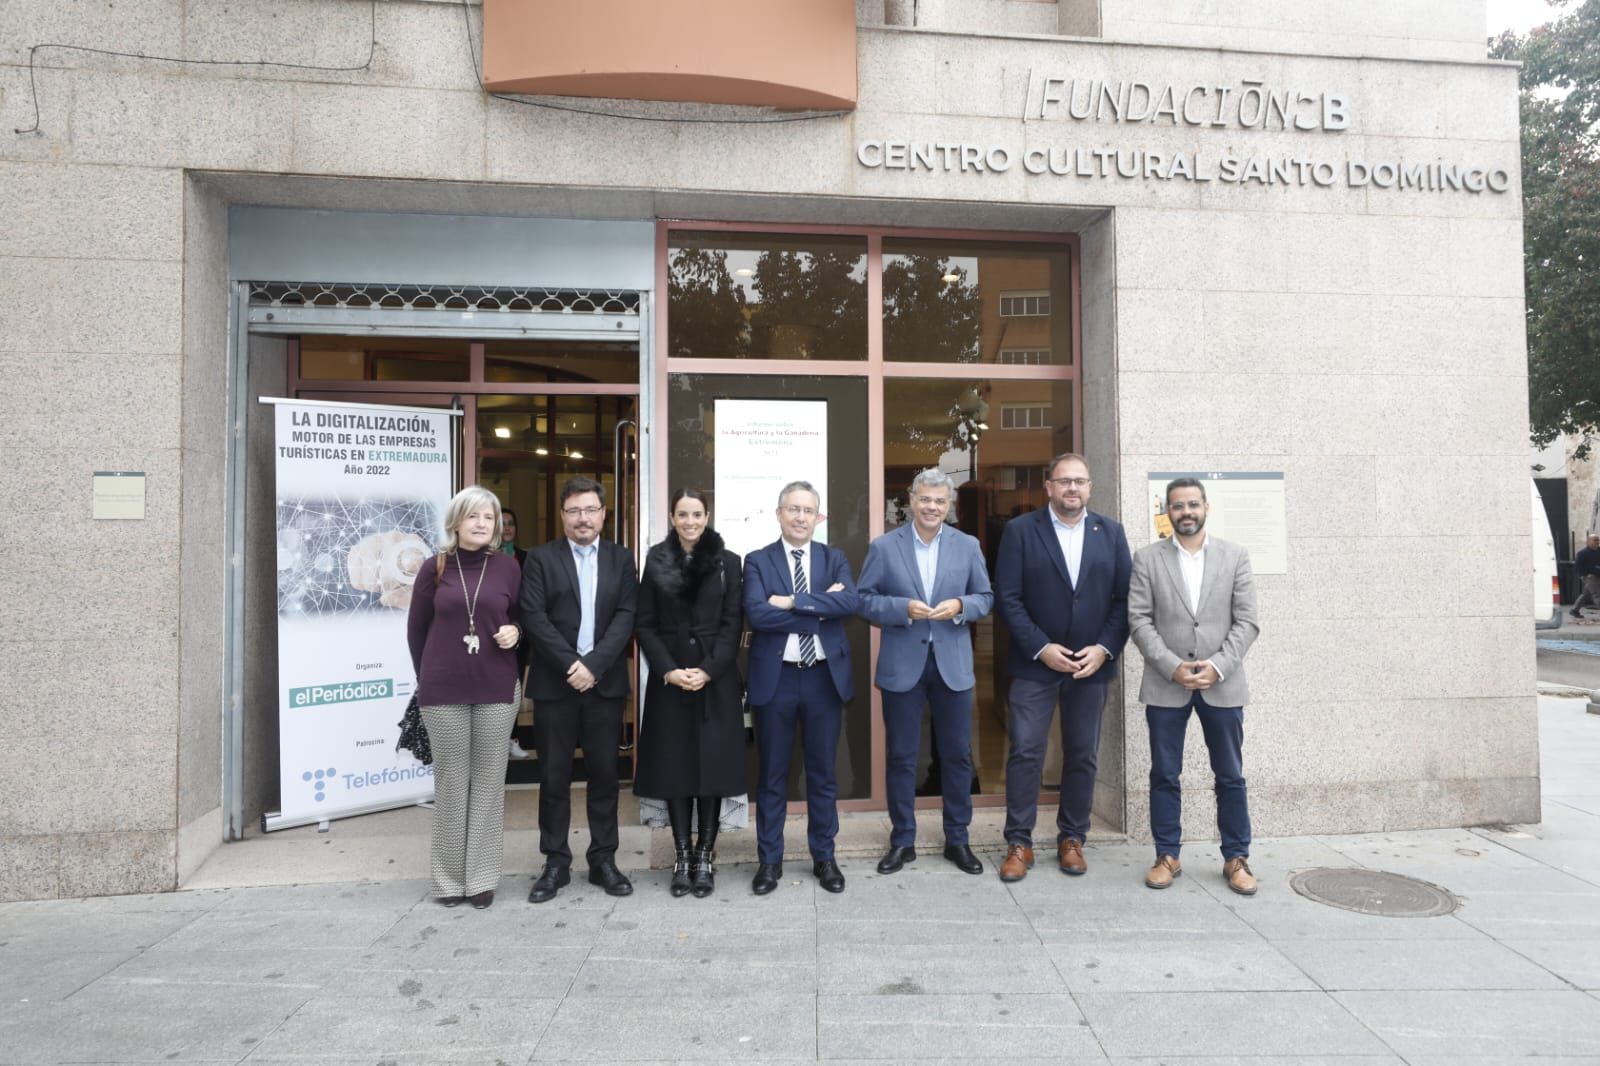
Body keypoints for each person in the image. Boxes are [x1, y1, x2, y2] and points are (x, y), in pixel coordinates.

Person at [993, 452, 1131, 882]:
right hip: (1036, 664)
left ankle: (1072, 838)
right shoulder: (1020, 531)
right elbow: (1007, 598)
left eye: (1079, 481)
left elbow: (1125, 600)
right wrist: (1040, 647)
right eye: (1063, 481)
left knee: (1082, 755)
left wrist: (1104, 649)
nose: (1072, 488)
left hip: (1090, 667)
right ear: (1048, 487)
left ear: (1090, 488)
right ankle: (1019, 841)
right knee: (1026, 753)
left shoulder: (1110, 533)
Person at [1128, 477, 1261, 895]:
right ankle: (1167, 855)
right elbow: (1138, 620)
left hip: (1222, 685)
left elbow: (1247, 621)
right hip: (1167, 685)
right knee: (1165, 773)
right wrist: (1172, 667)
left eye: (1192, 504)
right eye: (1177, 506)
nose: (1185, 512)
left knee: (1230, 775)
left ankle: (1236, 858)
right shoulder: (1147, 559)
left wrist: (1217, 666)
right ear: (1166, 512)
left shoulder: (1234, 556)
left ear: (1206, 507)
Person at [858, 468, 993, 876]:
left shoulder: (967, 545)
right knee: (902, 757)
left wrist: (961, 607)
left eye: (940, 501)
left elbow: (986, 597)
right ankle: (903, 840)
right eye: (925, 499)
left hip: (952, 664)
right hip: (903, 666)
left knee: (956, 755)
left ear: (948, 505)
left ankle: (958, 839)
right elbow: (864, 601)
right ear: (911, 500)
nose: (932, 507)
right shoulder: (884, 546)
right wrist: (900, 608)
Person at [520, 475, 639, 902]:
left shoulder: (622, 559)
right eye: (574, 511)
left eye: (590, 509)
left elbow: (627, 614)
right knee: (553, 777)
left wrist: (594, 665)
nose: (582, 518)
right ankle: (555, 862)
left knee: (605, 776)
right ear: (563, 515)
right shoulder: (539, 558)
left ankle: (603, 860)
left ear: (604, 514)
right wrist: (573, 665)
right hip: (557, 684)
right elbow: (533, 616)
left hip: (604, 685)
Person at [406, 485, 524, 910]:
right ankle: (447, 880)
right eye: (473, 516)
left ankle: (480, 879)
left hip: (496, 687)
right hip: (443, 690)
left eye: (489, 518)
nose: (482, 524)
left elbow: (518, 618)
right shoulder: (433, 567)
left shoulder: (508, 567)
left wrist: (517, 631)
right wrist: (428, 678)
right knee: (452, 783)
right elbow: (416, 631)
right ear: (455, 522)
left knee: (490, 784)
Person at [743, 480, 859, 895]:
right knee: (773, 775)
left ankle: (824, 858)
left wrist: (791, 602)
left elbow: (850, 604)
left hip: (823, 680)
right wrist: (818, 606)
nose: (799, 517)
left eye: (807, 510)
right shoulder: (757, 560)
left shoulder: (835, 558)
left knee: (823, 775)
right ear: (778, 514)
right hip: (777, 680)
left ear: (818, 518)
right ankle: (769, 862)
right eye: (792, 509)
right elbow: (757, 615)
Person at [633, 488, 747, 897]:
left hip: (715, 681)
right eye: (682, 514)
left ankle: (705, 857)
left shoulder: (729, 563)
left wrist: (708, 670)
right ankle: (682, 857)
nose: (690, 521)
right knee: (677, 769)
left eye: (697, 514)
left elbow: (733, 624)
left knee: (711, 771)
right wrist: (668, 670)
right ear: (671, 516)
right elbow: (644, 623)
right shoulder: (656, 559)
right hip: (670, 682)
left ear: (707, 515)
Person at [500, 506, 533, 760]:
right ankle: (494, 744)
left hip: (520, 633)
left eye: (511, 523)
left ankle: (512, 739)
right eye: (502, 523)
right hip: (490, 633)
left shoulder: (527, 557)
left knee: (514, 687)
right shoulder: (485, 556)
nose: (507, 527)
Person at [1572, 533, 1600, 621]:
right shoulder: (1583, 553)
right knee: (1597, 594)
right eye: (1595, 540)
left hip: (1598, 575)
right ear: (1589, 541)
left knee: (1586, 594)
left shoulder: (1599, 551)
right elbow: (1578, 566)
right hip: (1589, 577)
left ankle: (1574, 610)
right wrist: (1582, 575)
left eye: (1598, 540)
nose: (1597, 542)